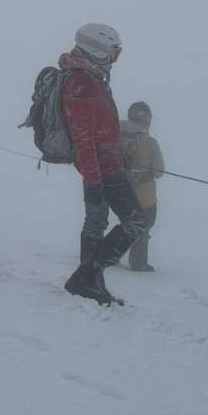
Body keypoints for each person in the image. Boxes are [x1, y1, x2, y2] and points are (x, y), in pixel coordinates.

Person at [59, 23, 148, 305]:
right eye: (113, 51)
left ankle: (90, 282)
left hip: (103, 164)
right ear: (96, 48)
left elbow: (97, 131)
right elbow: (83, 137)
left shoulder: (91, 77)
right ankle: (87, 276)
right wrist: (96, 181)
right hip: (100, 167)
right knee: (136, 221)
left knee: (96, 222)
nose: (114, 58)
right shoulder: (82, 82)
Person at [120, 101, 165, 271]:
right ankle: (138, 262)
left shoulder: (117, 135)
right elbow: (159, 171)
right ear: (146, 119)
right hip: (145, 197)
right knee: (144, 226)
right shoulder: (150, 142)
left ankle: (110, 253)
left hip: (120, 192)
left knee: (126, 224)